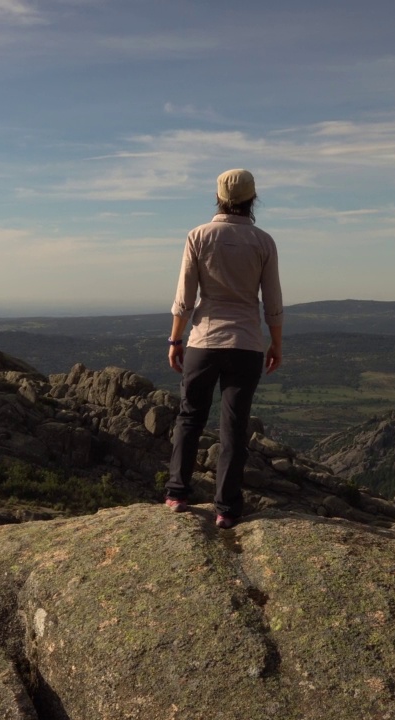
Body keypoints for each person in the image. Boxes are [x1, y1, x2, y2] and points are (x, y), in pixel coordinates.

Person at [164, 168, 283, 529]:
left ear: (218, 197)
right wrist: (276, 342)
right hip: (246, 343)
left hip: (203, 339)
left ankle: (177, 493)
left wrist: (175, 338)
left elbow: (185, 296)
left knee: (189, 417)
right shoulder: (263, 242)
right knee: (234, 426)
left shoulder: (198, 235)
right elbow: (272, 300)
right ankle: (227, 510)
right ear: (252, 199)